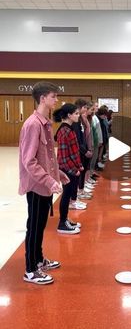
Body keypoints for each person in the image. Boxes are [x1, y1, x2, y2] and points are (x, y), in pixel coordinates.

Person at [19, 81, 70, 285]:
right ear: (43, 99)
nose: (56, 100)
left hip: (45, 184)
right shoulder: (32, 124)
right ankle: (30, 269)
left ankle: (38, 259)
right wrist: (49, 180)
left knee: (40, 225)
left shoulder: (45, 122)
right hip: (37, 185)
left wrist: (59, 175)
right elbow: (29, 160)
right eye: (53, 96)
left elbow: (48, 157)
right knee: (34, 226)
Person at [54, 103, 84, 234]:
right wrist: (73, 170)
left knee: (68, 194)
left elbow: (74, 151)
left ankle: (65, 219)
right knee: (66, 195)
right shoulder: (64, 131)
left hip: (72, 168)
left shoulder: (69, 129)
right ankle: (62, 223)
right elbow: (64, 156)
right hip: (67, 169)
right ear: (69, 115)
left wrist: (79, 165)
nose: (78, 116)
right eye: (76, 114)